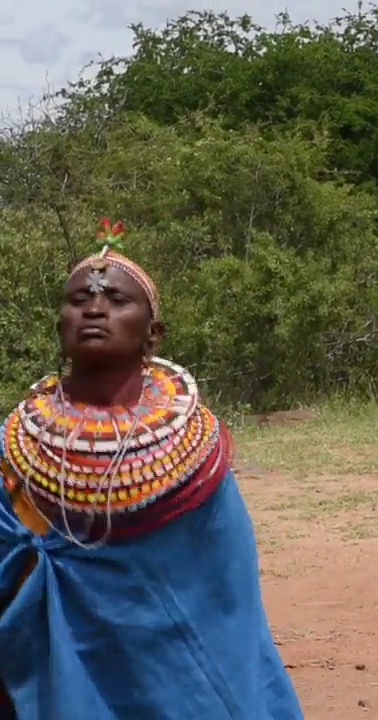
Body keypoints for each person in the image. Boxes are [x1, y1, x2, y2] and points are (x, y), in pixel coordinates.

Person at [0, 220, 303, 718]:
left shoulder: (195, 453)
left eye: (117, 300)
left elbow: (225, 593)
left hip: (179, 674)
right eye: (79, 300)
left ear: (153, 332)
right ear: (59, 323)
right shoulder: (16, 449)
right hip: (57, 665)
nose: (95, 308)